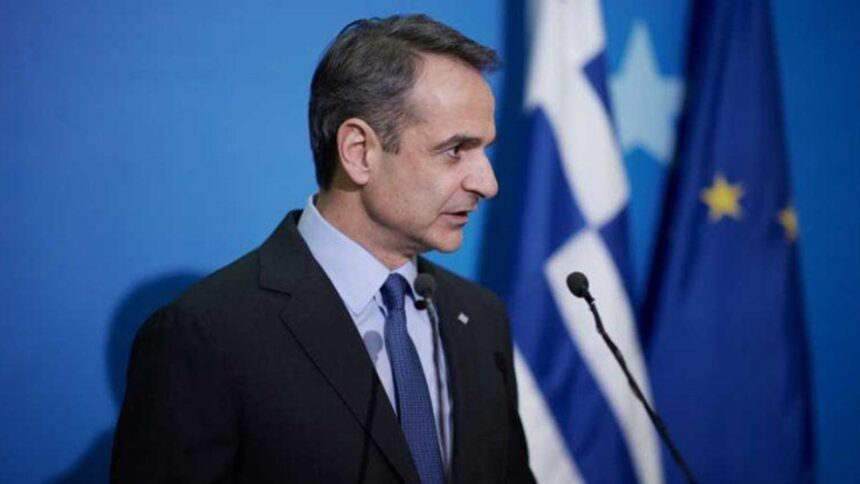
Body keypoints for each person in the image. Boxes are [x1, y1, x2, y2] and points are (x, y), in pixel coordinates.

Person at [111, 14, 535, 483]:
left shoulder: (480, 318)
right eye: (455, 150)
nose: (488, 183)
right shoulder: (208, 336)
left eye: (485, 151)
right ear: (358, 151)